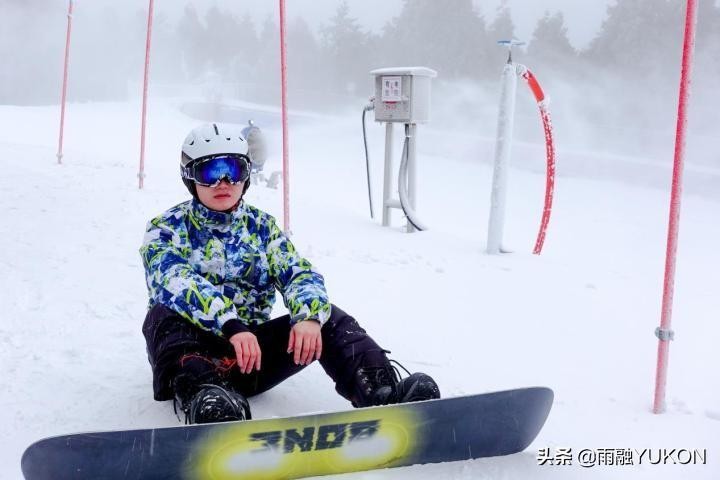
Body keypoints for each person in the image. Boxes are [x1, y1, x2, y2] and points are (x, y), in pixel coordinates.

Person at [140, 123, 440, 424]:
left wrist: (308, 317)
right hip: (192, 360)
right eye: (211, 172)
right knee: (161, 317)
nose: (224, 181)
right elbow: (173, 279)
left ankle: (382, 393)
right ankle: (209, 400)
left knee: (327, 317)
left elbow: (297, 272)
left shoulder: (261, 227)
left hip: (249, 357)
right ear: (190, 177)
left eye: (234, 169)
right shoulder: (166, 229)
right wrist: (229, 324)